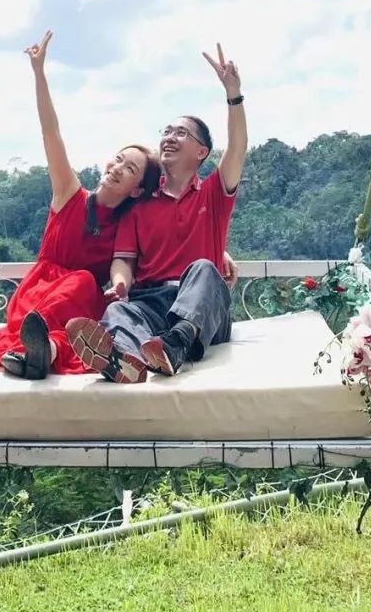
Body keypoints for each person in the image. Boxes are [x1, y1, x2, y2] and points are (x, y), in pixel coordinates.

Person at [0, 29, 161, 379]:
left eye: (130, 169)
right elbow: (52, 134)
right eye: (118, 159)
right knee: (79, 282)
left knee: (80, 297)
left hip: (81, 307)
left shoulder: (130, 223)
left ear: (138, 189)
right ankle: (33, 341)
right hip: (39, 297)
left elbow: (169, 227)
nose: (117, 168)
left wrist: (221, 253)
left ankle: (39, 353)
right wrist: (39, 74)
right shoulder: (69, 193)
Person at [67, 44, 248, 382]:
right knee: (119, 310)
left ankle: (177, 345)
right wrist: (120, 285)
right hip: (151, 302)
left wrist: (233, 95)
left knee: (205, 269)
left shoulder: (213, 193)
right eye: (166, 131)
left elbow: (237, 148)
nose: (169, 137)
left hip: (203, 310)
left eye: (181, 133)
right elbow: (124, 260)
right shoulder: (139, 205)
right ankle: (124, 362)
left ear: (201, 152)